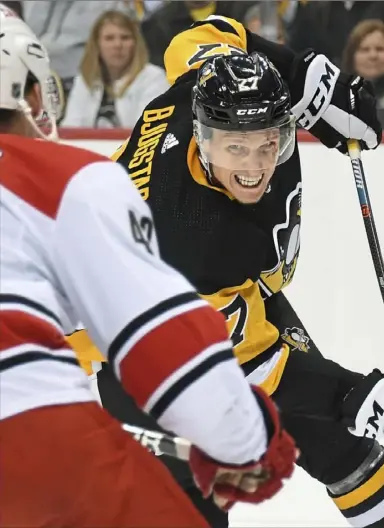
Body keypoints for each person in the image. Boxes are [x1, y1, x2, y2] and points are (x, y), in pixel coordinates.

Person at [71, 14, 384, 528]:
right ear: (202, 136)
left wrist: (307, 78)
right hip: (132, 341)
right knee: (196, 498)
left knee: (338, 445)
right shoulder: (190, 240)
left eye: (269, 144)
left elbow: (207, 32)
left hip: (232, 297)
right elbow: (258, 366)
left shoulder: (204, 82)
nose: (256, 165)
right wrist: (368, 398)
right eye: (235, 147)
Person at [0, 7, 299, 527]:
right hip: (41, 464)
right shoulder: (72, 184)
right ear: (30, 92)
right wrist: (247, 439)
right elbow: (163, 341)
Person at [61, 10, 169, 129]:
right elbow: (70, 127)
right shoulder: (86, 79)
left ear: (135, 43)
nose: (117, 45)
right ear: (97, 44)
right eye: (109, 38)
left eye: (125, 38)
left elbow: (148, 130)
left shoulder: (153, 78)